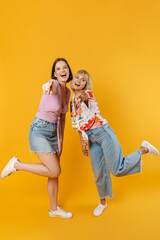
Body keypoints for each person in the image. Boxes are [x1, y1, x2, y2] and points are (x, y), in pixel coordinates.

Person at [70, 69, 159, 217]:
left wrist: (81, 95)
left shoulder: (87, 95)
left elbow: (84, 96)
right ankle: (102, 202)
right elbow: (79, 126)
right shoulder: (72, 101)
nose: (79, 80)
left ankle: (143, 149)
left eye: (83, 79)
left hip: (103, 133)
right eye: (77, 77)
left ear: (86, 85)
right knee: (98, 172)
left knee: (117, 169)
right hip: (92, 139)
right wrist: (83, 144)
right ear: (73, 80)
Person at [1, 58, 73, 219]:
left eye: (65, 67)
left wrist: (61, 141)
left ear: (68, 71)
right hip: (39, 130)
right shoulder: (52, 85)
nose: (63, 70)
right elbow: (50, 86)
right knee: (55, 170)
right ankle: (16, 165)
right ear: (54, 73)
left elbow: (62, 119)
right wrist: (47, 86)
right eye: (59, 68)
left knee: (54, 173)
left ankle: (53, 209)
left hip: (54, 133)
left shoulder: (68, 92)